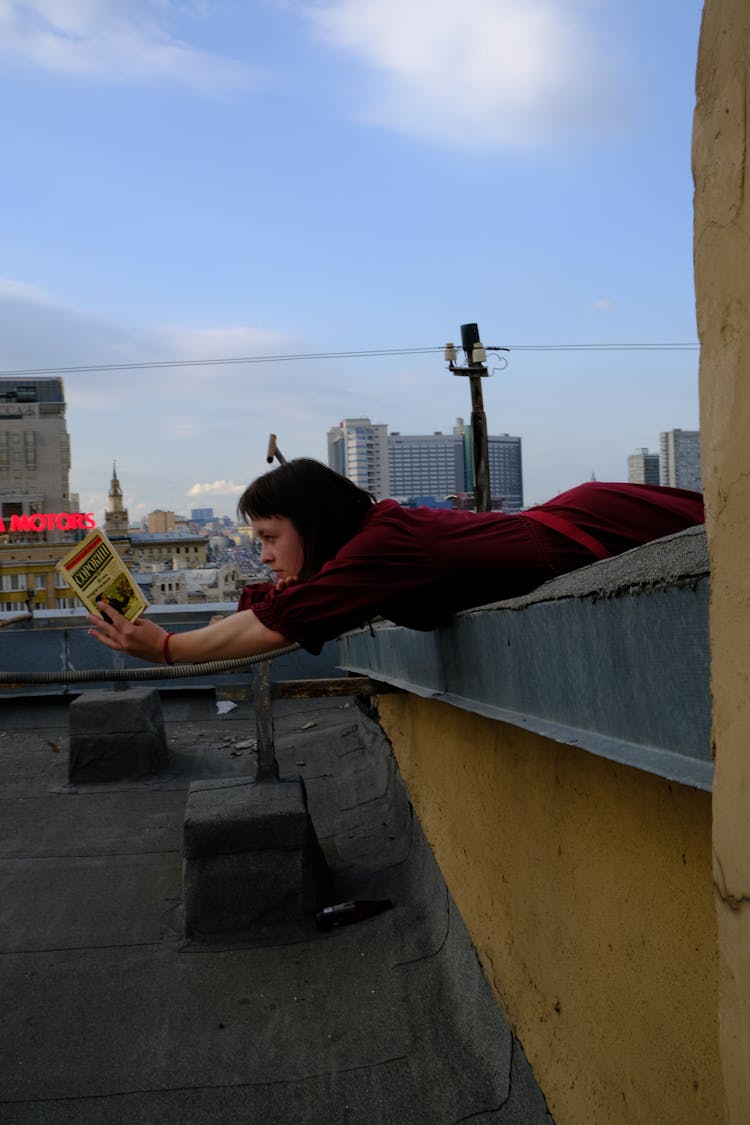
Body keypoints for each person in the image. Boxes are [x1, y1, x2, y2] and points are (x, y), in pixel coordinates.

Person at [87, 458, 705, 665]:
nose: (265, 553)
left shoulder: (384, 546)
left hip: (599, 522)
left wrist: (169, 648)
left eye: (272, 535)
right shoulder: (373, 546)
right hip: (582, 519)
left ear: (316, 523)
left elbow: (287, 619)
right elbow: (287, 608)